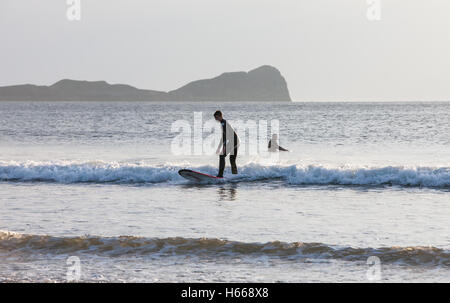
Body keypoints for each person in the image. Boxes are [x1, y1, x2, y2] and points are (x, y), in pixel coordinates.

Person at [214, 111, 240, 177]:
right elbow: (223, 136)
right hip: (236, 142)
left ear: (220, 116)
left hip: (234, 142)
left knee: (222, 156)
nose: (215, 119)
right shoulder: (222, 123)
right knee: (232, 160)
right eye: (215, 118)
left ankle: (220, 175)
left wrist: (224, 147)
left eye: (216, 117)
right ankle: (235, 176)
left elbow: (226, 136)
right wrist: (219, 147)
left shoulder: (223, 123)